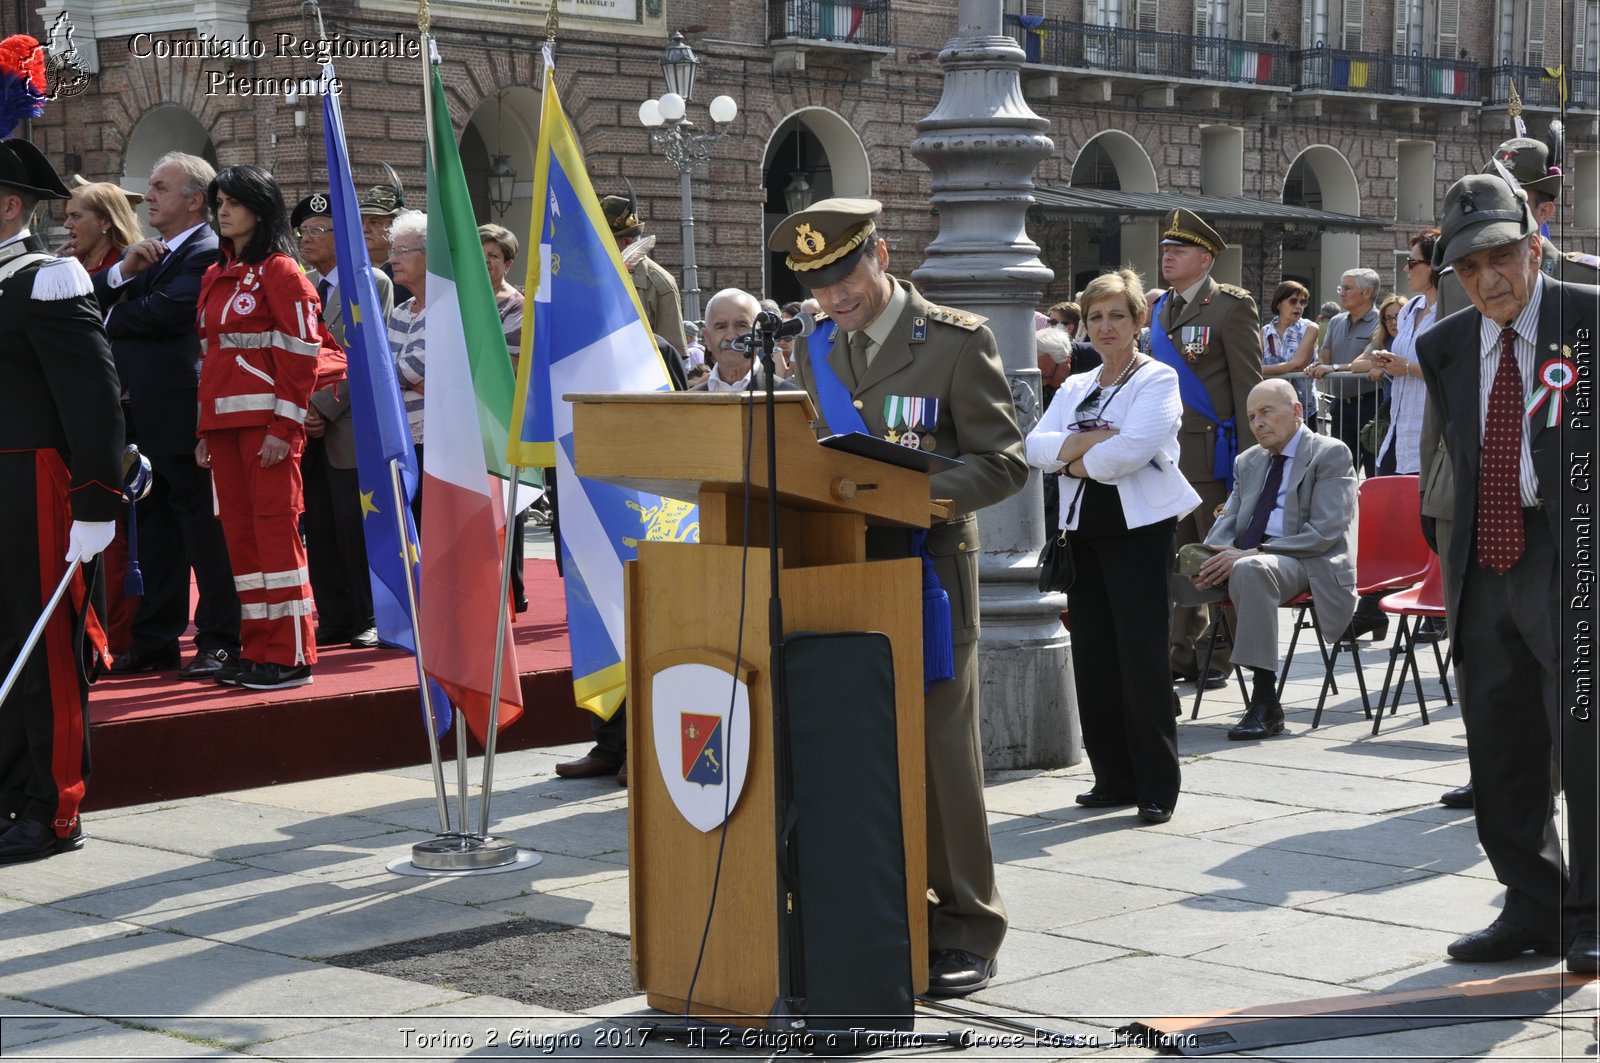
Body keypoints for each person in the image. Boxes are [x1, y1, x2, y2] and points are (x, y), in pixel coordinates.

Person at [770, 197, 1027, 997]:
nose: (836, 297)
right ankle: (882, 909)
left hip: (927, 572)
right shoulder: (816, 350)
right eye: (819, 285)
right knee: (859, 747)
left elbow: (1003, 461)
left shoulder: (953, 341)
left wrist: (909, 498)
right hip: (839, 569)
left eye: (845, 275)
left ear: (879, 254)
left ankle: (966, 925)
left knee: (940, 754)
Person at [1416, 171, 1598, 975]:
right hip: (1485, 554)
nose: (1488, 281)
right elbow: (1449, 452)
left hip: (1576, 553)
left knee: (1585, 737)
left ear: (1534, 246)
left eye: (1500, 258)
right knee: (1498, 734)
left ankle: (1593, 911)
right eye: (1468, 268)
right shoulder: (1443, 343)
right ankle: (1532, 902)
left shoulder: (1588, 320)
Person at [1025, 269, 1199, 825]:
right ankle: (1112, 778)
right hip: (1082, 533)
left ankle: (1155, 785)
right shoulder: (1076, 384)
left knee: (1141, 658)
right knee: (1094, 658)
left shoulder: (1158, 379)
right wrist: (1084, 448)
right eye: (1095, 316)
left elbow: (1134, 450)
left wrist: (1075, 458)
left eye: (1116, 316)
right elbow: (1033, 445)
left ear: (1136, 321)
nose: (1104, 326)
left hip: (1139, 532)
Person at [0, 137, 124, 863]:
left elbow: (96, 401)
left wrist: (97, 502)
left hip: (36, 483)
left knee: (45, 647)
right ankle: (10, 790)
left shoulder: (46, 278)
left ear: (10, 205)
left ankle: (54, 806)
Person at [94, 152, 242, 681]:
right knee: (153, 533)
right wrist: (122, 272)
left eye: (159, 187)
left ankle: (221, 638)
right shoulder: (149, 254)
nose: (148, 195)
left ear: (193, 200)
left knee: (202, 531)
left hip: (183, 417)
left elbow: (170, 311)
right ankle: (156, 641)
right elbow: (93, 299)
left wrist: (114, 314)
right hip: (142, 418)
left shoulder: (205, 250)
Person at [195, 165, 344, 690]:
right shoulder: (216, 276)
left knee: (276, 540)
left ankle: (291, 655)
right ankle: (257, 650)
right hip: (225, 431)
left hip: (267, 431)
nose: (223, 211)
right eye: (219, 203)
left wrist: (285, 428)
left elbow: (305, 354)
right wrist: (203, 431)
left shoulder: (282, 272)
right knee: (243, 541)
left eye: (233, 202)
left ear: (260, 208)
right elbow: (210, 358)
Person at [1184, 380, 1357, 741]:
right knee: (1168, 570)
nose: (1258, 423)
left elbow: (1325, 531)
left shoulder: (1329, 453)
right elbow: (1227, 521)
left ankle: (1265, 702)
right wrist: (1213, 555)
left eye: (1266, 412)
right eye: (1251, 416)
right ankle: (1155, 687)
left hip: (1308, 559)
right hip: (1251, 558)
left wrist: (1252, 553)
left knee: (1252, 569)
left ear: (1296, 412)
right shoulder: (1248, 461)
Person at [1151, 208, 1263, 691]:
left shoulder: (1231, 307)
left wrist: (1253, 462)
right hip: (1168, 457)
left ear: (1205, 257)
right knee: (1178, 559)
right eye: (1164, 251)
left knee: (1215, 556)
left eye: (1177, 251)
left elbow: (1248, 388)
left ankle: (1220, 656)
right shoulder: (1162, 310)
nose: (1167, 257)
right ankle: (1181, 650)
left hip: (1213, 455)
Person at [294, 192, 394, 650]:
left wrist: (322, 408)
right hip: (304, 426)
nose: (307, 239)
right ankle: (333, 614)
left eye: (318, 230)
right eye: (304, 232)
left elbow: (367, 356)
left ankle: (370, 614)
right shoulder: (303, 286)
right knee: (320, 525)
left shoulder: (370, 282)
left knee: (355, 526)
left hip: (348, 423)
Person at [480, 222, 530, 611]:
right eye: (478, 255)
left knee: (506, 506)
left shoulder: (516, 306)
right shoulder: (459, 299)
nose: (484, 262)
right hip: (464, 420)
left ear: (508, 263)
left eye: (493, 256)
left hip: (500, 420)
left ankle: (512, 589)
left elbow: (510, 366)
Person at [1310, 268, 1380, 477]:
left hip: (1371, 405)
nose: (1341, 293)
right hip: (1340, 406)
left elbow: (1371, 361)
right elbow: (1326, 358)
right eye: (1341, 288)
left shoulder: (1381, 322)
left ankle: (1371, 510)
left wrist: (1333, 368)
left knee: (1373, 469)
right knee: (1339, 469)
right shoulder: (1336, 321)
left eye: (1348, 288)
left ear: (1367, 292)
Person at [600, 189, 686, 352]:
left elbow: (671, 355)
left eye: (603, 239)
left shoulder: (660, 285)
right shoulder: (587, 275)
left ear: (626, 241)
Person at [385, 210, 428, 529]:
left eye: (402, 251)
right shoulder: (401, 311)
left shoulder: (447, 307)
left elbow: (408, 370)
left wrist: (397, 376)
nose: (393, 260)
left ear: (428, 256)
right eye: (392, 252)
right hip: (399, 436)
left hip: (433, 442)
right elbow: (383, 372)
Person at [688, 287, 799, 392]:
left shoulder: (789, 398)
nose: (731, 336)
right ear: (707, 338)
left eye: (741, 325)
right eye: (721, 326)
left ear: (759, 333)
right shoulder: (687, 404)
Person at [1261, 280, 1319, 428]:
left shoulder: (1310, 328)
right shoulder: (1264, 332)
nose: (1299, 306)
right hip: (1272, 407)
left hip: (1303, 408)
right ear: (1279, 303)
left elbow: (1297, 364)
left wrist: (1259, 370)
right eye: (1293, 301)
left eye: (1303, 302)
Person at [59, 180, 140, 276]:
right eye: (67, 216)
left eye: (76, 216)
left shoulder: (126, 265)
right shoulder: (72, 261)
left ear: (106, 222)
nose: (66, 224)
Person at [359, 175, 412, 305]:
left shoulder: (409, 273)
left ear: (395, 226)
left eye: (375, 222)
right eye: (361, 222)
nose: (365, 229)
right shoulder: (354, 270)